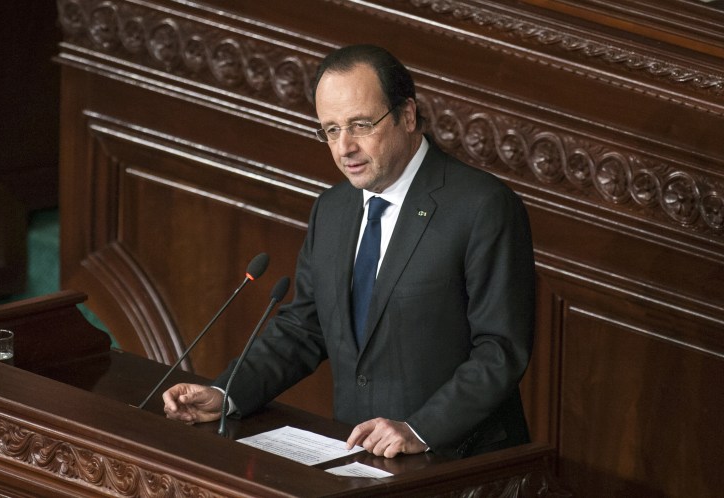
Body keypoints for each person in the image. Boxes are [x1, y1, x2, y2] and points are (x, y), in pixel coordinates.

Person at [163, 44, 535, 459]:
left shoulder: (481, 206)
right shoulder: (333, 208)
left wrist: (420, 429)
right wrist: (225, 392)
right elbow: (304, 328)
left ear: (407, 116)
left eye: (360, 125)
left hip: (458, 459)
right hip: (361, 459)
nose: (344, 148)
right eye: (331, 130)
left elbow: (500, 349)